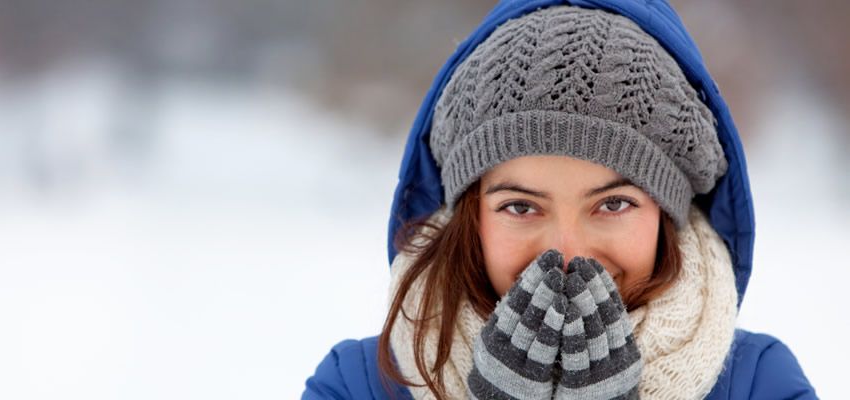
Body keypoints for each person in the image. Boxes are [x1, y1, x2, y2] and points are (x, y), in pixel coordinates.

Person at [303, 1, 817, 399]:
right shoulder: (358, 384)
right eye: (521, 207)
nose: (568, 254)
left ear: (667, 213)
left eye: (613, 204)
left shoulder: (758, 382)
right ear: (470, 216)